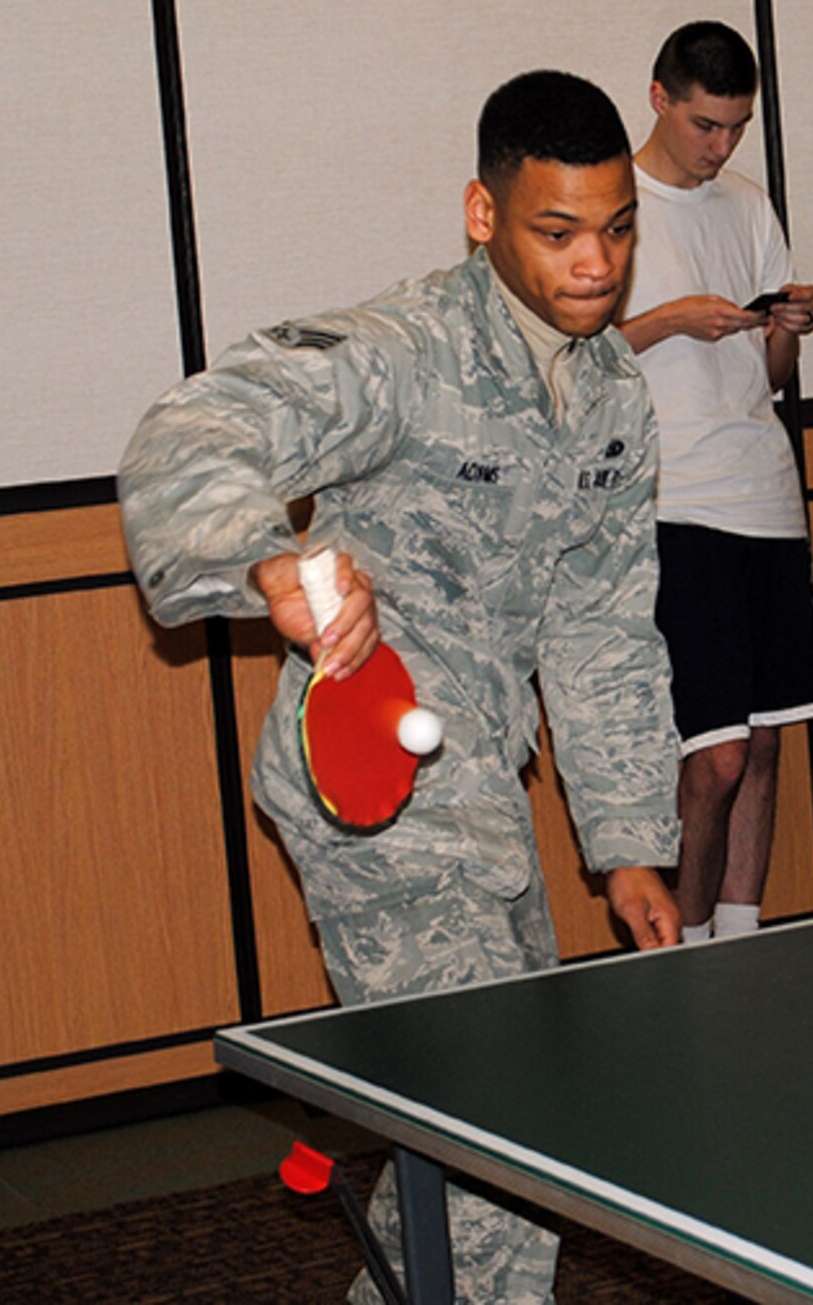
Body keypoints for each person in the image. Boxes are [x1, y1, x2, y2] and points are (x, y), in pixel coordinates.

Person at [118, 70, 681, 1302]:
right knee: (506, 1132)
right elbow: (191, 429)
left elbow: (600, 629)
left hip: (480, 791)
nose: (596, 263)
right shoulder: (404, 351)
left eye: (618, 227)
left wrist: (629, 837)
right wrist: (263, 556)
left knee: (487, 1137)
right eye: (557, 231)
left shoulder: (613, 394)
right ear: (482, 214)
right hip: (369, 796)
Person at [618, 21, 813, 941]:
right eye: (706, 125)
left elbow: (772, 375)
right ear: (659, 98)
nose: (721, 147)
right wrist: (668, 320)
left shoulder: (747, 205)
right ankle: (687, 948)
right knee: (714, 754)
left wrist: (788, 322)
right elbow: (565, 362)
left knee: (770, 737)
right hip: (674, 505)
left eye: (737, 127)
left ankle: (743, 939)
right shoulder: (607, 209)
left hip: (766, 497)